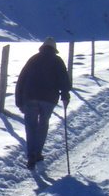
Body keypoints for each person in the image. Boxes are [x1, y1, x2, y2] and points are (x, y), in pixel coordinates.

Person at [14, 37, 72, 169]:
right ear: (54, 49)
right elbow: (64, 81)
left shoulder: (33, 59)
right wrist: (65, 95)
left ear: (43, 47)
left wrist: (19, 101)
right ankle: (37, 152)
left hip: (30, 97)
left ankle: (31, 156)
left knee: (30, 126)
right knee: (43, 125)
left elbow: (21, 79)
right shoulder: (57, 61)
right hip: (48, 99)